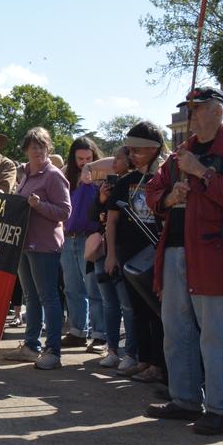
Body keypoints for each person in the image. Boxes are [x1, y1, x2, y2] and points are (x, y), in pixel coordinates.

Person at [146, 87, 223, 435]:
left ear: (216, 111)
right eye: (189, 109)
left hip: (214, 255)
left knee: (216, 335)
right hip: (174, 251)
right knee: (176, 331)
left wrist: (201, 173)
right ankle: (184, 399)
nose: (190, 115)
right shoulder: (181, 152)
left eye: (197, 109)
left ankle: (218, 408)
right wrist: (169, 197)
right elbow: (153, 191)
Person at [104, 124, 168, 384]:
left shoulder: (165, 179)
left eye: (138, 150)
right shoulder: (125, 182)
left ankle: (159, 364)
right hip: (129, 259)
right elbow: (111, 221)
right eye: (130, 150)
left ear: (154, 149)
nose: (133, 155)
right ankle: (144, 360)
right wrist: (110, 255)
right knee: (138, 312)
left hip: (157, 258)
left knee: (159, 314)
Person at [4, 128, 72, 370]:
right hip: (24, 244)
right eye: (33, 146)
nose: (37, 150)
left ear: (48, 149)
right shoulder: (26, 176)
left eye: (42, 146)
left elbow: (65, 212)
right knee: (31, 297)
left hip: (44, 245)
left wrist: (40, 205)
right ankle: (31, 345)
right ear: (26, 150)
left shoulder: (53, 176)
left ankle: (53, 351)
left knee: (49, 298)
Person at [89, 146, 137, 370]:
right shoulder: (109, 185)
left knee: (127, 304)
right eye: (114, 157)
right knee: (109, 303)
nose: (114, 161)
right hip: (103, 252)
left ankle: (131, 353)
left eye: (119, 157)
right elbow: (94, 216)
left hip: (121, 252)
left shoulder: (134, 185)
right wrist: (101, 199)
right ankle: (112, 350)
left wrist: (113, 255)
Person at [60, 137, 106, 352]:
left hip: (90, 236)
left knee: (94, 288)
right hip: (68, 237)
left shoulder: (101, 173)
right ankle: (78, 331)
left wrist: (92, 173)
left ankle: (99, 334)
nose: (84, 162)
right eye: (80, 158)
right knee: (72, 288)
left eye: (88, 158)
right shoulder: (66, 174)